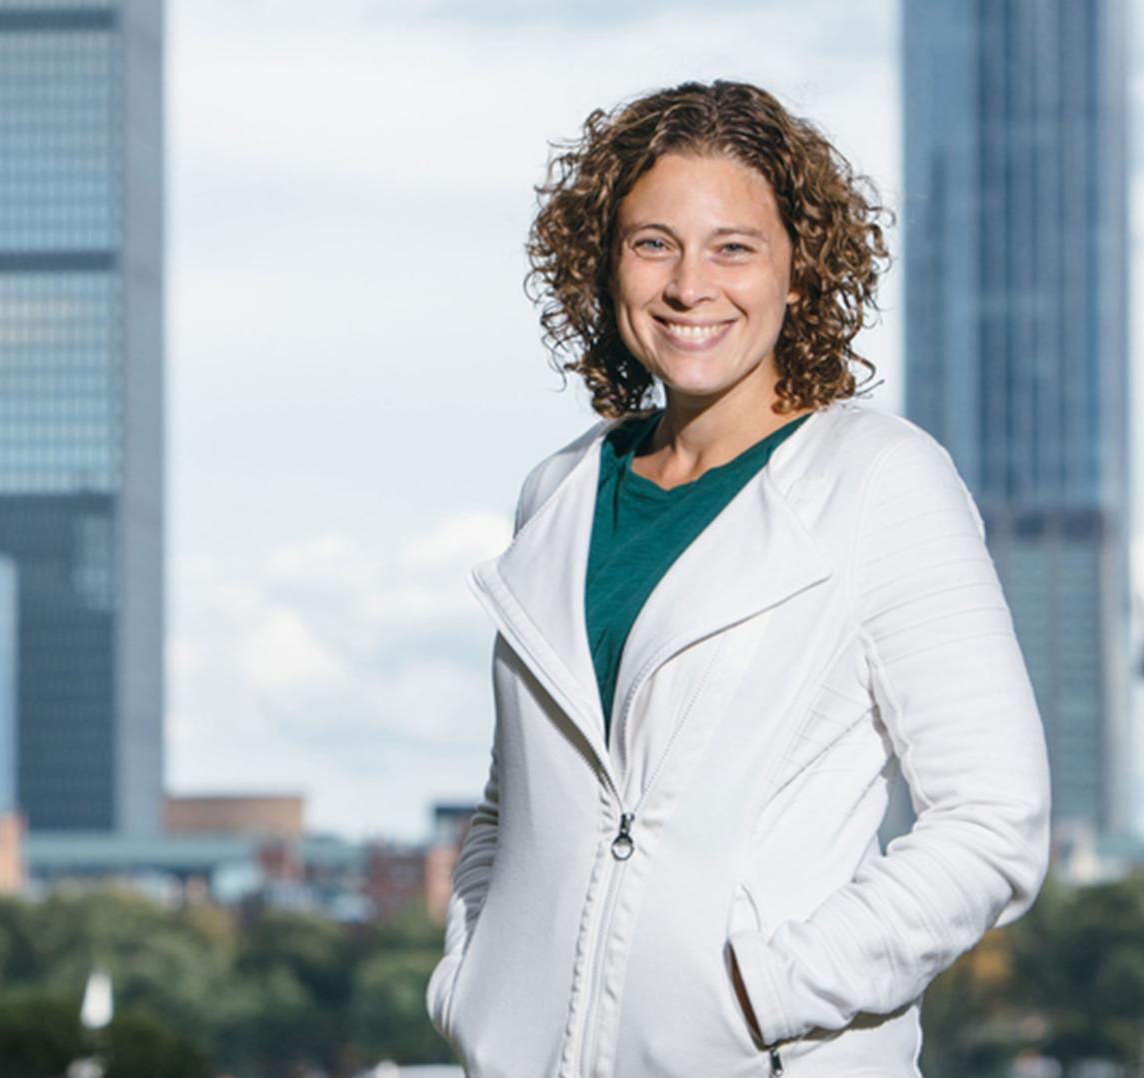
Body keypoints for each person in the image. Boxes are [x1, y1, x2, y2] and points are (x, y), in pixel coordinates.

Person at [425, 79, 1051, 1077]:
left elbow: (994, 823)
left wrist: (762, 997)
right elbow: (515, 807)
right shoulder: (561, 490)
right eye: (652, 242)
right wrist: (476, 982)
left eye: (733, 247)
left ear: (799, 270)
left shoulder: (881, 483)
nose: (688, 284)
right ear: (604, 262)